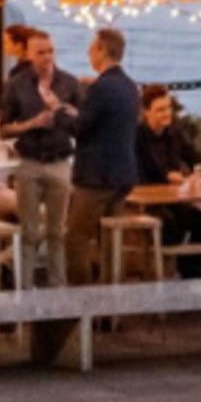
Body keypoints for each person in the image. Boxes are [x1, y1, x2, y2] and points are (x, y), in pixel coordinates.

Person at [0, 30, 81, 288]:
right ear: (28, 55)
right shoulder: (17, 85)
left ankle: (58, 289)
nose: (47, 57)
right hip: (29, 162)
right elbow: (3, 129)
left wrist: (63, 111)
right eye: (40, 52)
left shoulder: (68, 83)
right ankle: (24, 290)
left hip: (59, 161)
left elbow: (82, 123)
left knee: (57, 232)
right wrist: (32, 124)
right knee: (29, 232)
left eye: (50, 51)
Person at [65, 28, 140, 287]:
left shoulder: (101, 88)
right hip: (123, 174)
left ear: (102, 50)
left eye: (91, 48)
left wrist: (58, 114)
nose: (88, 53)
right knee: (110, 239)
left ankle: (81, 300)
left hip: (95, 176)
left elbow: (80, 128)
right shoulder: (130, 87)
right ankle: (110, 307)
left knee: (76, 239)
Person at [135, 84, 201, 278]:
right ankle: (160, 270)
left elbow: (196, 158)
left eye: (168, 108)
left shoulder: (175, 133)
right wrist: (169, 177)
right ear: (146, 113)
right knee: (169, 223)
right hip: (145, 200)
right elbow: (143, 173)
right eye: (160, 109)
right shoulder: (137, 136)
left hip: (173, 198)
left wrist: (197, 174)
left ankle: (191, 271)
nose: (166, 114)